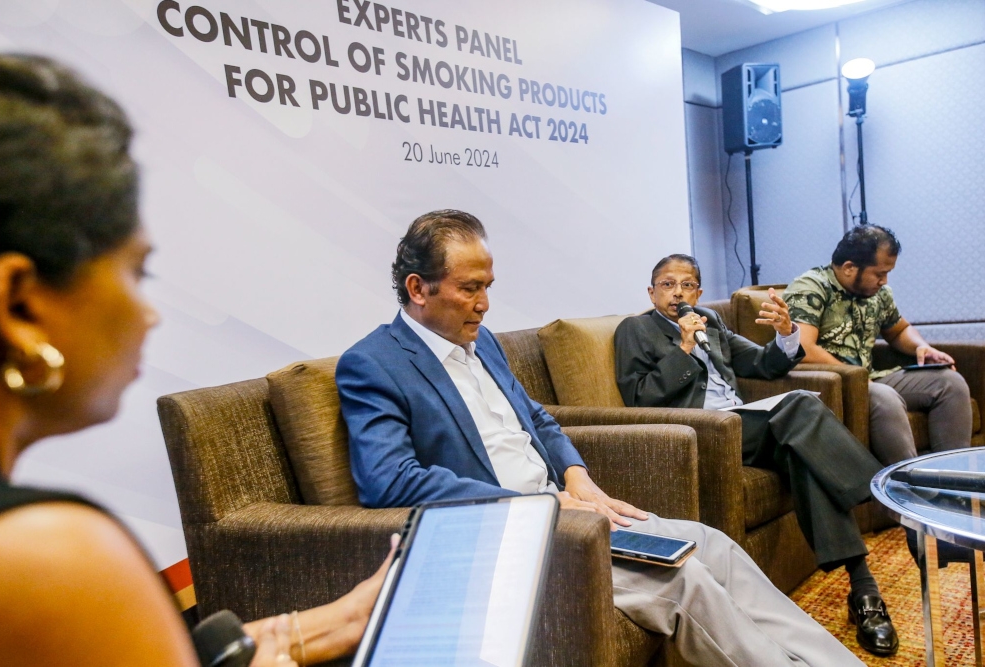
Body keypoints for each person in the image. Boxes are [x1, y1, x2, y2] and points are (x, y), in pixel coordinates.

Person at [0, 54, 394, 666]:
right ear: (18, 303)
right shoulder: (44, 557)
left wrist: (319, 628)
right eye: (135, 271)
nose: (148, 314)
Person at [337, 210, 866, 666]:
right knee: (685, 581)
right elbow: (390, 483)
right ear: (417, 288)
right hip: (507, 539)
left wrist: (578, 479)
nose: (484, 304)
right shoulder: (374, 364)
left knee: (713, 547)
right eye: (469, 289)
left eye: (488, 288)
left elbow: (540, 422)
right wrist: (538, 506)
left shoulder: (483, 343)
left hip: (568, 513)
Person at [613, 253, 897, 657]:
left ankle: (864, 589)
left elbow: (763, 365)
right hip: (702, 433)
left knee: (804, 458)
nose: (678, 292)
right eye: (667, 284)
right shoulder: (636, 329)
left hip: (745, 424)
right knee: (800, 403)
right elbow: (638, 398)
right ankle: (881, 490)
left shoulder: (712, 321)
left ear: (699, 291)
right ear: (651, 291)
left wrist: (786, 332)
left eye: (687, 284)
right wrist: (683, 347)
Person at [783, 224, 972, 465]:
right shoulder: (811, 287)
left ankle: (952, 483)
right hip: (831, 385)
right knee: (885, 396)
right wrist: (857, 378)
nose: (884, 281)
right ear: (850, 267)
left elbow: (898, 330)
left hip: (869, 379)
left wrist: (921, 347)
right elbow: (803, 348)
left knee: (949, 382)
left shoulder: (878, 293)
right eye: (879, 273)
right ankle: (908, 490)